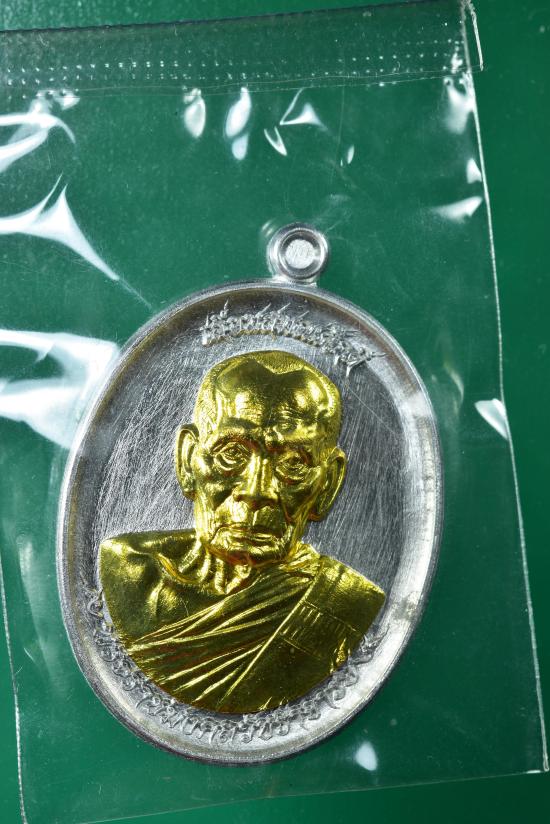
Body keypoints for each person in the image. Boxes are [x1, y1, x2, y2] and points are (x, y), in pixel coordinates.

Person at [100, 350, 385, 714]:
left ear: (328, 483)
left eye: (293, 463)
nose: (257, 491)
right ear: (188, 459)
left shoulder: (346, 604)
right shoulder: (128, 571)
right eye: (232, 454)